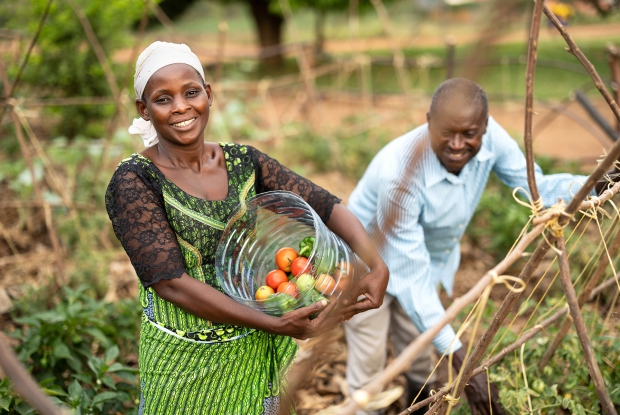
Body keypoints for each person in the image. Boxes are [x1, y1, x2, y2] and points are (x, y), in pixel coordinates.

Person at [105, 41, 389, 415]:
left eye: (191, 92)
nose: (181, 107)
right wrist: (275, 323)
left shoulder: (243, 160)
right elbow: (169, 281)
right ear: (144, 109)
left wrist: (376, 265)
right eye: (163, 99)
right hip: (188, 363)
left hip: (257, 348)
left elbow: (325, 205)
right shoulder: (134, 181)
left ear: (208, 94)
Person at [343, 78, 609, 415]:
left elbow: (536, 189)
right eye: (446, 133)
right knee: (368, 366)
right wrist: (464, 366)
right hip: (368, 262)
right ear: (428, 122)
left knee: (420, 353)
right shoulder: (400, 173)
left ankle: (416, 405)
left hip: (424, 263)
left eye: (469, 134)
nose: (457, 144)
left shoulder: (492, 139)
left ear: (485, 127)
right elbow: (411, 280)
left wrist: (596, 183)